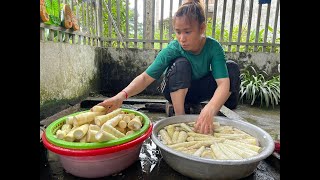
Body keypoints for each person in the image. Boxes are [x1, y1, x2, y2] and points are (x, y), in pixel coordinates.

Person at [94, 0, 240, 134]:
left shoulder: (213, 47)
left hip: (196, 92)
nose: (182, 38)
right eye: (178, 32)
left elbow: (223, 84)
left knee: (232, 68)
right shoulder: (174, 48)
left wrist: (210, 109)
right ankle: (179, 118)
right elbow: (145, 78)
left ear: (201, 28)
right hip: (173, 89)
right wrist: (121, 96)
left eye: (187, 32)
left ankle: (206, 119)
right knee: (181, 63)